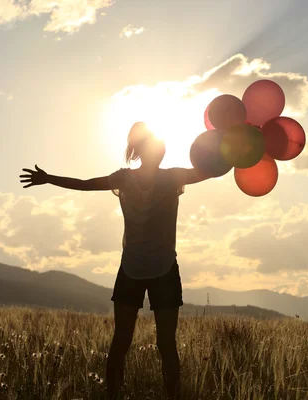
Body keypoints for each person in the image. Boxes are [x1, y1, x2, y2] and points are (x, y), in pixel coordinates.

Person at [19, 122, 211, 400]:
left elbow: (85, 185)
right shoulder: (170, 177)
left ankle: (116, 394)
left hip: (137, 267)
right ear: (147, 151)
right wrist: (234, 152)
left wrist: (49, 179)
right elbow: (209, 171)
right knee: (160, 343)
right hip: (158, 268)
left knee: (126, 340)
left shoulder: (133, 178)